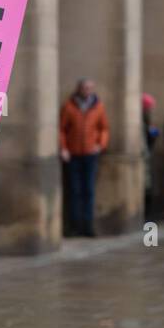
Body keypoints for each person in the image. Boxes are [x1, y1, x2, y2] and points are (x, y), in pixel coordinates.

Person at [58, 78, 109, 237]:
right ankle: (74, 226)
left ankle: (87, 226)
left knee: (88, 191)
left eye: (90, 88)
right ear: (79, 89)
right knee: (74, 191)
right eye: (85, 88)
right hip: (73, 155)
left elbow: (104, 128)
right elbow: (62, 129)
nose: (87, 90)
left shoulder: (98, 106)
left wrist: (100, 145)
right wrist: (64, 148)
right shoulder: (69, 106)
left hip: (90, 155)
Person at [141, 93, 158, 222]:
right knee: (146, 186)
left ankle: (148, 215)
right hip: (143, 156)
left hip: (146, 155)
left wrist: (154, 134)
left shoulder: (147, 121)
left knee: (148, 186)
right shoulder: (141, 121)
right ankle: (146, 215)